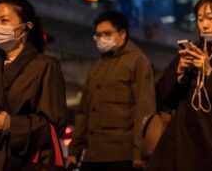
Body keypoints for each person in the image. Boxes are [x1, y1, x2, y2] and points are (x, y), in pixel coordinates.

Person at [0, 0, 67, 170]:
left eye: (4, 20)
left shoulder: (45, 66)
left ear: (26, 27)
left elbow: (54, 124)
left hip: (27, 162)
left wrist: (11, 124)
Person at [147, 0, 212, 170]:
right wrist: (179, 72)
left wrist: (208, 71)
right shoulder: (193, 50)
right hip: (184, 144)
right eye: (200, 19)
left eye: (210, 18)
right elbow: (164, 99)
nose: (204, 25)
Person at [67, 11, 156, 170]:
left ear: (122, 34)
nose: (102, 39)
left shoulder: (137, 61)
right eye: (98, 35)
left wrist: (139, 152)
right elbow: (83, 112)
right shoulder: (98, 66)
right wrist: (74, 150)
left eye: (107, 34)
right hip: (92, 155)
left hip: (121, 157)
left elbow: (144, 109)